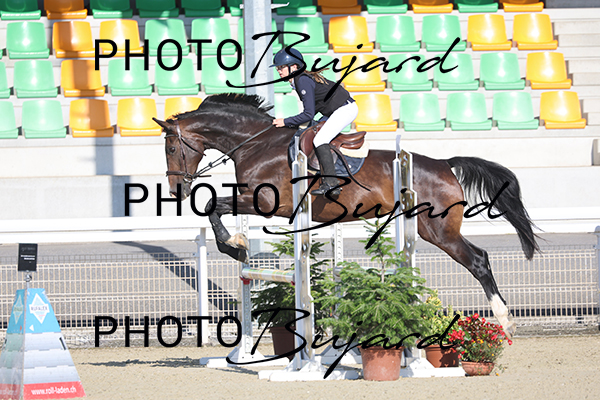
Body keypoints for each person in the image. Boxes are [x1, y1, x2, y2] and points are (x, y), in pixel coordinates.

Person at [271, 48, 358, 196]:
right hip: (334, 110)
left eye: (281, 67)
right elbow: (315, 108)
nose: (279, 71)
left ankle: (332, 184)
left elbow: (308, 113)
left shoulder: (302, 81)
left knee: (320, 140)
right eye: (278, 68)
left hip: (345, 110)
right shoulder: (299, 80)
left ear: (294, 67)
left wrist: (285, 121)